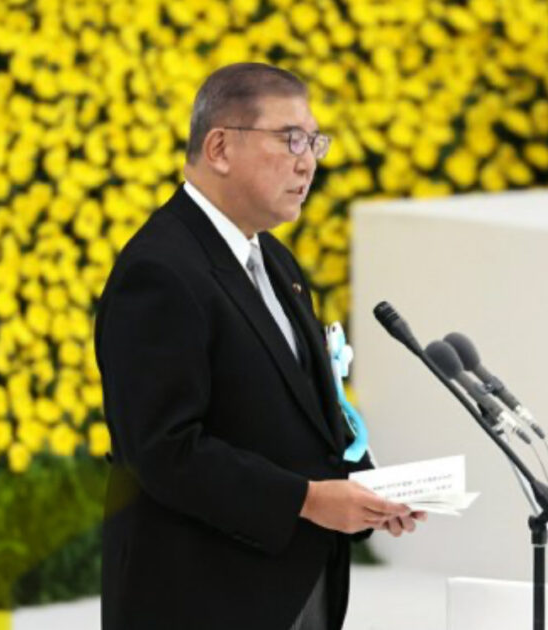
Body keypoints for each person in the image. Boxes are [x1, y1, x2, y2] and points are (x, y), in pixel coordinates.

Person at [94, 62, 426, 630]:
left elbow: (304, 411)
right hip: (201, 597)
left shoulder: (273, 259)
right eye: (290, 139)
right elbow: (164, 451)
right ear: (220, 147)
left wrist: (367, 488)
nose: (308, 161)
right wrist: (308, 500)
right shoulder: (159, 271)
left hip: (293, 582)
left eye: (315, 142)